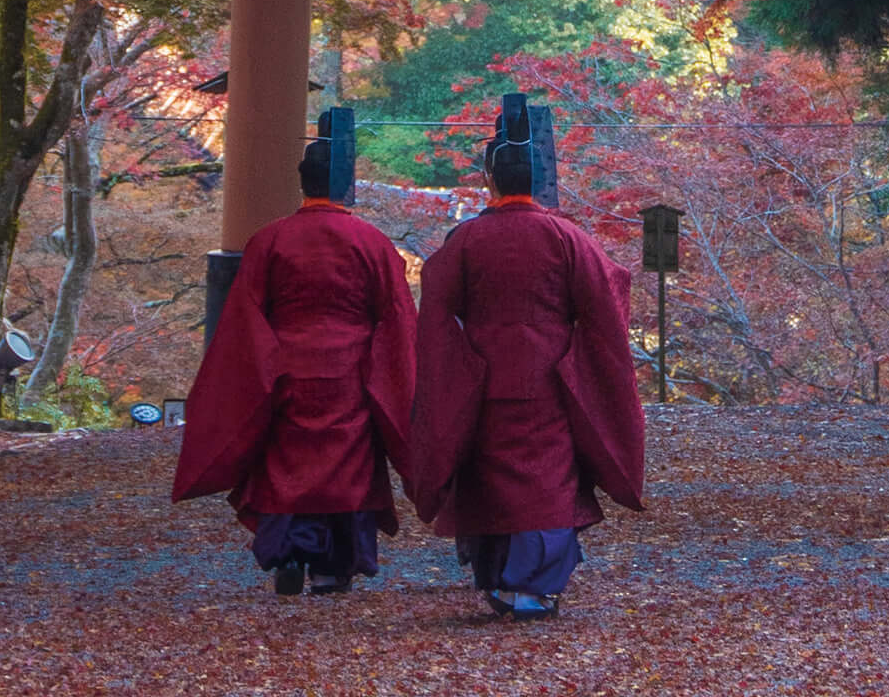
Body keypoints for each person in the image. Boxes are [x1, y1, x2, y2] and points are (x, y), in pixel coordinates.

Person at [407, 94, 645, 620]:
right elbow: (609, 294)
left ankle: (497, 576)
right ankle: (534, 588)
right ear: (534, 180)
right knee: (548, 478)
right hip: (550, 371)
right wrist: (583, 356)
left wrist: (449, 368)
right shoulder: (566, 237)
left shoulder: (467, 239)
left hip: (483, 371)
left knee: (490, 474)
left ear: (489, 179)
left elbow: (436, 305)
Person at [171, 119, 417, 596]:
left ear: (302, 184)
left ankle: (289, 552)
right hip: (351, 369)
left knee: (288, 460)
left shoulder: (270, 240)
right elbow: (397, 316)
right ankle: (332, 567)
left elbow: (244, 316)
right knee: (347, 465)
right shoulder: (371, 242)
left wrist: (252, 373)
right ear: (345, 185)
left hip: (287, 363)